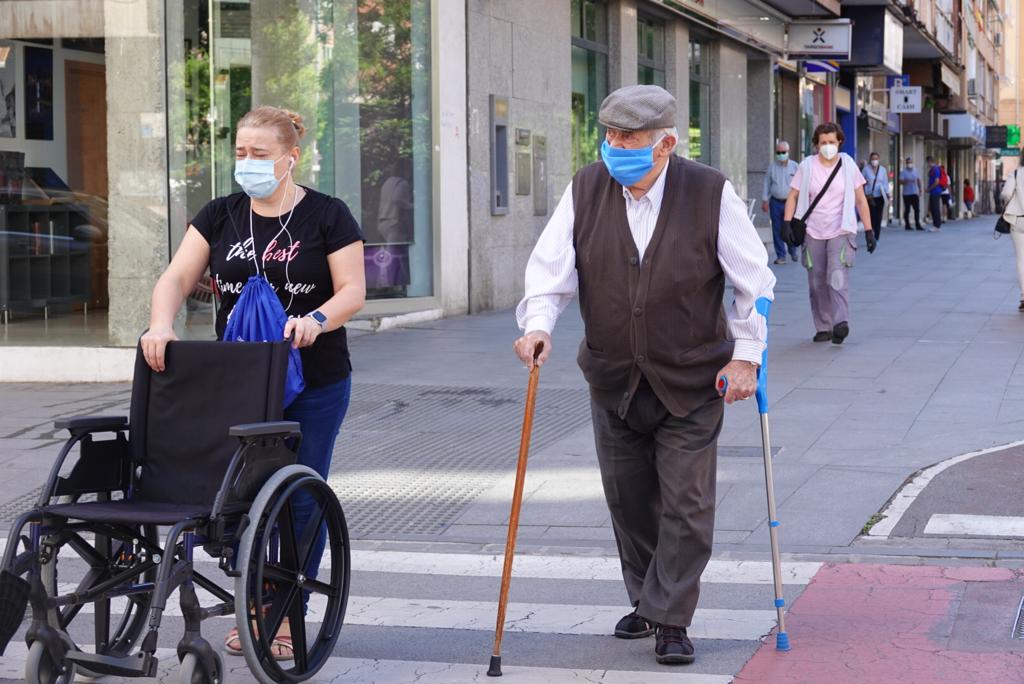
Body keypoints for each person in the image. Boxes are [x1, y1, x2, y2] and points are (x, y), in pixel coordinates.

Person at [514, 85, 775, 667]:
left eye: (628, 139)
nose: (614, 147)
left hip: (692, 378)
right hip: (612, 378)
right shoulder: (585, 188)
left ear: (665, 144)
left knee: (686, 502)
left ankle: (672, 617)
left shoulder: (709, 193)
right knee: (628, 500)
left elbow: (754, 283)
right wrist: (538, 325)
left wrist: (746, 357)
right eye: (609, 136)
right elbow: (550, 269)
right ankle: (649, 598)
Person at [139, 105, 367, 659]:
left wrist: (316, 319)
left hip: (314, 378)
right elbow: (176, 276)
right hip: (239, 380)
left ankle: (287, 611)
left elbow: (352, 290)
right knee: (238, 494)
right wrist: (161, 325)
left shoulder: (328, 216)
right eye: (240, 152)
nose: (248, 163)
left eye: (260, 155)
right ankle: (258, 598)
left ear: (292, 158)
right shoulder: (220, 215)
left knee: (299, 498)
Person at [781, 122, 874, 345]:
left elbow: (860, 199)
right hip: (813, 230)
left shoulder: (848, 165)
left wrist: (869, 230)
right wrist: (786, 223)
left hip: (840, 229)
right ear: (816, 144)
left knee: (836, 274)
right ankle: (824, 326)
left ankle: (840, 322)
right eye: (823, 143)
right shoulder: (807, 166)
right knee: (816, 281)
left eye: (832, 142)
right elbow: (793, 196)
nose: (828, 146)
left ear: (839, 142)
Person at [762, 140, 800, 264]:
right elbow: (767, 184)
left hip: (791, 202)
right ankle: (781, 255)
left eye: (783, 152)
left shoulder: (795, 166)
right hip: (776, 202)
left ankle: (792, 250)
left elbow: (801, 184)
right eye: (778, 152)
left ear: (788, 152)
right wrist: (764, 200)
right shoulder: (772, 167)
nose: (781, 154)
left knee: (790, 227)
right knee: (777, 229)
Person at [1000, 160, 1024, 311]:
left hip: (1018, 219)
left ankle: (1023, 297)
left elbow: (1006, 193)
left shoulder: (1016, 173)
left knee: (1021, 259)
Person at [862, 152, 890, 242]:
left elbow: (885, 182)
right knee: (871, 216)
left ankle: (877, 237)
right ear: (870, 159)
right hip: (869, 197)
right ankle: (871, 232)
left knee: (878, 217)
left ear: (879, 159)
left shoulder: (882, 170)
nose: (875, 161)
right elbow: (860, 181)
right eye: (873, 159)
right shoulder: (866, 169)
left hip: (880, 196)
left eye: (876, 159)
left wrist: (887, 193)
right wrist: (865, 183)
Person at [899, 157, 924, 230]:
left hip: (914, 193)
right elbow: (900, 182)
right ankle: (907, 225)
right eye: (908, 162)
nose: (909, 164)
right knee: (907, 210)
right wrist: (906, 181)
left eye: (910, 162)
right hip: (906, 194)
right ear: (906, 163)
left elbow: (918, 180)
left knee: (917, 209)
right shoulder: (903, 172)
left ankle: (917, 224)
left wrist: (920, 189)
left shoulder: (915, 171)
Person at [926, 156, 943, 231]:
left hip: (935, 191)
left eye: (927, 162)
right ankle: (935, 224)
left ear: (930, 161)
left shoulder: (935, 169)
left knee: (935, 208)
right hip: (933, 192)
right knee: (933, 208)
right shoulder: (933, 169)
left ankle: (937, 225)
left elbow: (937, 181)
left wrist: (929, 189)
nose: (927, 164)